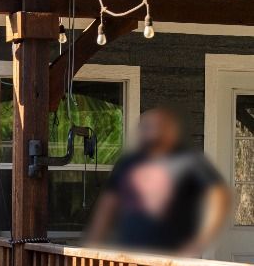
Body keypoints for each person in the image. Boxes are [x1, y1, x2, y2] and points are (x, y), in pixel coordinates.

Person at [86, 108, 229, 255]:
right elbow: (107, 205)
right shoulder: (127, 163)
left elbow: (219, 196)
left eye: (156, 126)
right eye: (145, 126)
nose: (149, 131)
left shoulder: (190, 161)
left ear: (171, 130)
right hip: (128, 254)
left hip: (174, 258)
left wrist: (199, 242)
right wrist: (93, 246)